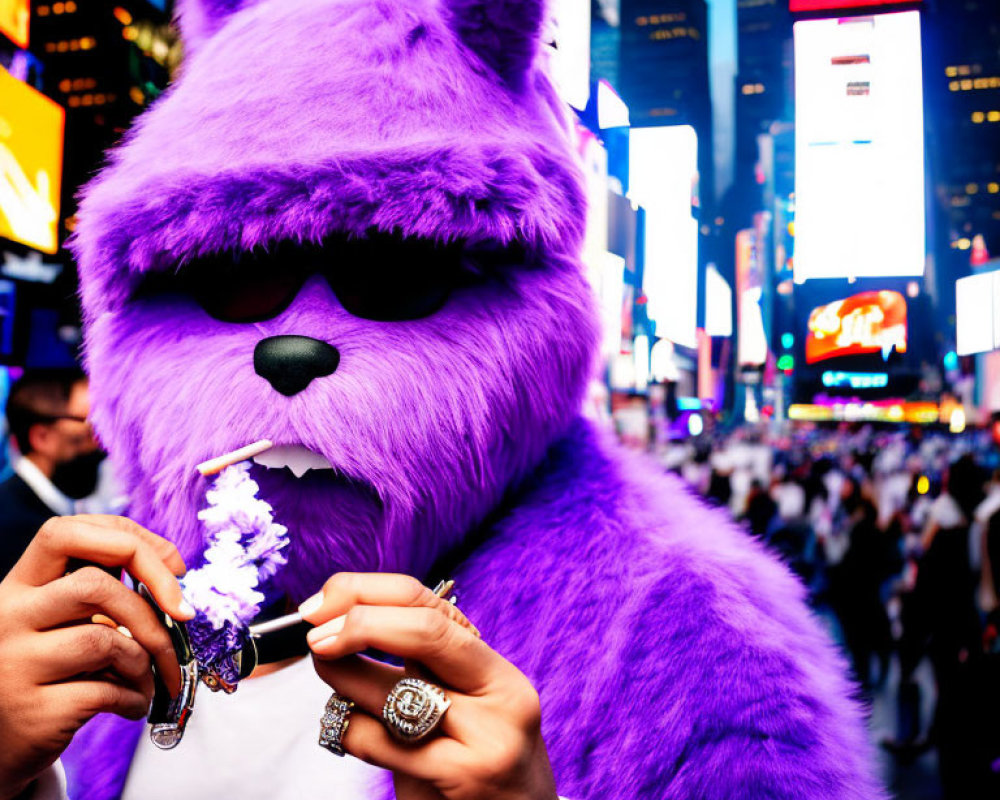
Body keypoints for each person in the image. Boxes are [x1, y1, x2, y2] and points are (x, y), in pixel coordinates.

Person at [0, 0, 883, 798]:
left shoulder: (688, 640)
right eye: (234, 280)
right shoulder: (117, 603)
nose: (291, 344)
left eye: (393, 274)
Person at [0, 369, 103, 578]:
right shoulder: (16, 528)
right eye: (91, 426)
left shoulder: (38, 510)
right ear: (42, 437)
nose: (102, 442)